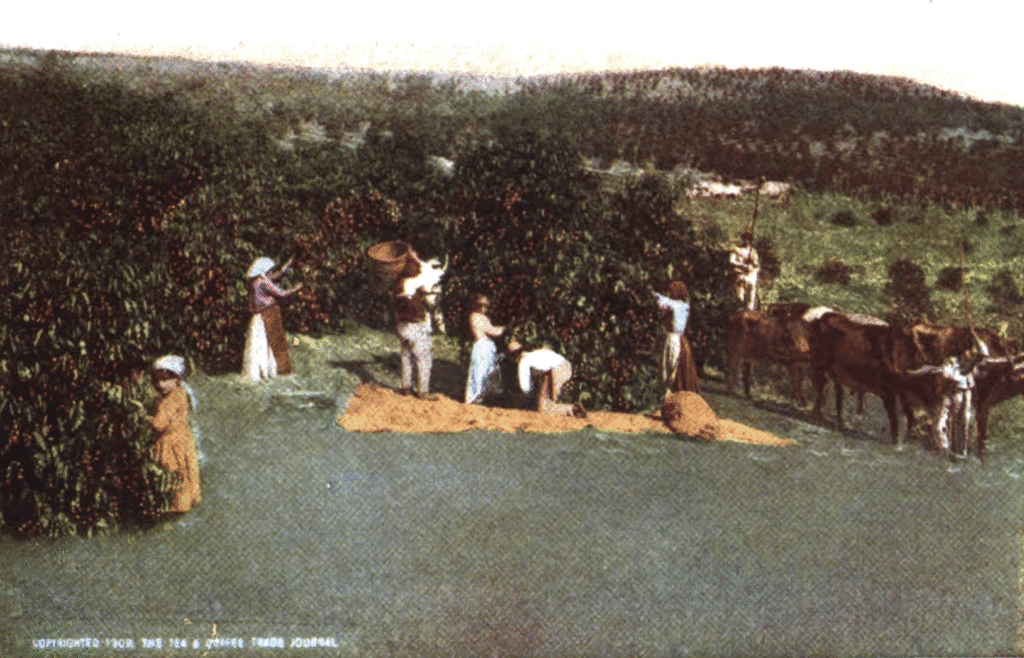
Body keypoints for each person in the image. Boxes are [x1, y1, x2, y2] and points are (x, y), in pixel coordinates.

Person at [148, 355, 201, 514]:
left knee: (173, 473)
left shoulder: (170, 400)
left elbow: (159, 424)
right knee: (185, 471)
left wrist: (145, 418)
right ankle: (188, 501)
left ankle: (176, 506)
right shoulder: (180, 393)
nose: (160, 384)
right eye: (157, 380)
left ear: (177, 379)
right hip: (183, 440)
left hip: (171, 444)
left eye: (165, 380)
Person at [244, 256, 303, 379]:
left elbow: (276, 275)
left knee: (264, 340)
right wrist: (296, 288)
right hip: (269, 311)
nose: (270, 272)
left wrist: (287, 265)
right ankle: (281, 369)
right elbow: (281, 293)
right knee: (276, 340)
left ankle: (268, 368)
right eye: (268, 270)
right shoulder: (263, 282)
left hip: (259, 314)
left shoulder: (255, 281)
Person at [393, 249, 438, 400]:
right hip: (415, 325)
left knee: (406, 357)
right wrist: (415, 257)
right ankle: (423, 391)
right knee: (423, 358)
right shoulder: (415, 283)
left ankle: (406, 388)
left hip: (401, 325)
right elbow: (427, 270)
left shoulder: (398, 283)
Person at [507, 339, 586, 418]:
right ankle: (572, 409)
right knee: (548, 402)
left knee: (544, 408)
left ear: (514, 355)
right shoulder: (536, 353)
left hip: (554, 371)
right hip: (567, 366)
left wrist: (531, 398)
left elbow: (526, 388)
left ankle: (572, 409)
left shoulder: (523, 362)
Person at [654, 280, 700, 395]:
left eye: (671, 291)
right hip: (678, 339)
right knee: (673, 365)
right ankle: (669, 391)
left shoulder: (674, 305)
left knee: (669, 365)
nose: (669, 293)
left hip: (673, 339)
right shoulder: (685, 306)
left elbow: (660, 299)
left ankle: (668, 392)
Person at [464, 293, 507, 404]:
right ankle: (475, 397)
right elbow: (492, 331)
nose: (484, 307)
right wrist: (506, 328)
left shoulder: (477, 316)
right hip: (483, 346)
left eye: (486, 305)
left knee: (489, 370)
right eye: (481, 305)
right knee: (480, 371)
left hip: (486, 345)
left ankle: (484, 396)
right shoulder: (476, 316)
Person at [729, 231, 760, 310]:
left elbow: (756, 263)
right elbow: (731, 261)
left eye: (748, 239)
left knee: (752, 293)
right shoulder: (737, 250)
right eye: (745, 239)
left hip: (750, 275)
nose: (747, 241)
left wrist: (751, 263)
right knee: (740, 296)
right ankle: (740, 309)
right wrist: (742, 265)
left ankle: (750, 309)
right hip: (740, 274)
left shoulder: (753, 251)